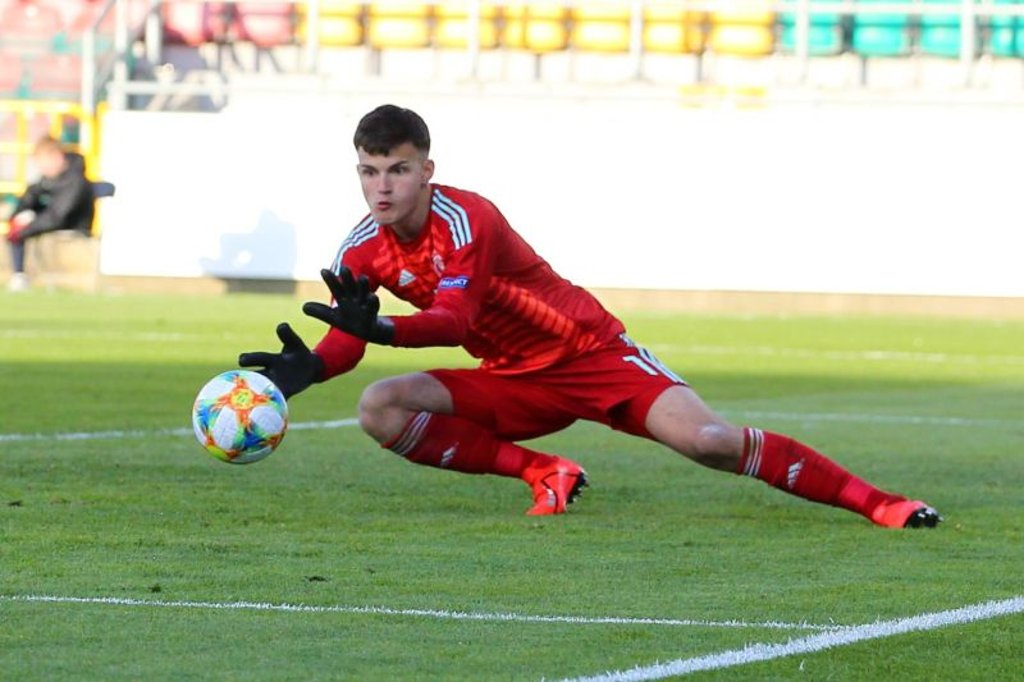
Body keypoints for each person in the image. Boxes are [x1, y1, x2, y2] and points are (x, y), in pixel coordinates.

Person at [240, 104, 941, 528]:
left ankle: (879, 503)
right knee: (381, 407)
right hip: (515, 378)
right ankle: (544, 471)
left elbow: (453, 319)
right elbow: (351, 336)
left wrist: (384, 329)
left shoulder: (468, 218)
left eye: (396, 169)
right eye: (368, 170)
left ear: (427, 168)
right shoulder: (361, 246)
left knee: (711, 443)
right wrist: (307, 372)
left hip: (591, 354)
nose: (381, 186)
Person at [4, 136, 96, 292]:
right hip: (50, 223)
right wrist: (17, 216)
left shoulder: (74, 181)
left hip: (74, 227)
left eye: (44, 164)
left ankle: (21, 276)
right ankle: (19, 275)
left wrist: (24, 230)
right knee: (18, 224)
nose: (42, 169)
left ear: (57, 157)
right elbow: (29, 198)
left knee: (20, 230)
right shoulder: (47, 180)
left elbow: (57, 216)